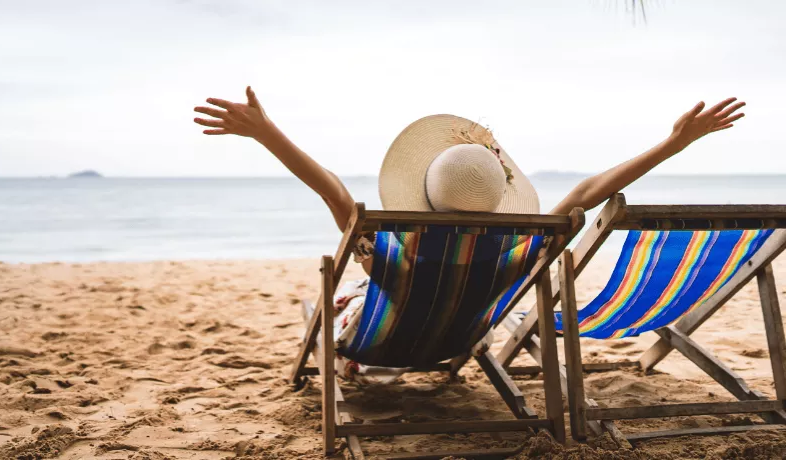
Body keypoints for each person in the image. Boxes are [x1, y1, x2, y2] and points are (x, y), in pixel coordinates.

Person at [193, 88, 745, 381]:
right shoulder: (518, 251)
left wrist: (266, 134)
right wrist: (673, 145)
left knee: (341, 298)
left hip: (376, 343)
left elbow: (336, 196)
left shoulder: (392, 252)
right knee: (375, 294)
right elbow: (585, 194)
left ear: (422, 193)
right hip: (458, 340)